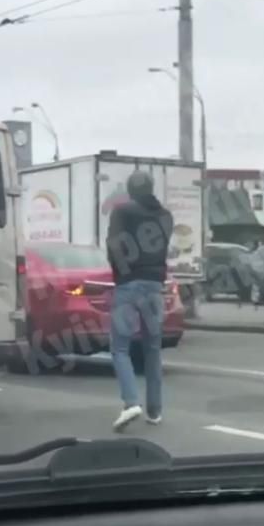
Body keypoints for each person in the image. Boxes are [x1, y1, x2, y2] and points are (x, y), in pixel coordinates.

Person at [105, 170, 174, 432]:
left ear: (131, 190)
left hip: (129, 285)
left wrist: (121, 273)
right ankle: (155, 411)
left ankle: (131, 402)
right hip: (155, 285)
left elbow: (113, 245)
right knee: (152, 349)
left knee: (120, 347)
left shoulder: (122, 212)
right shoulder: (166, 215)